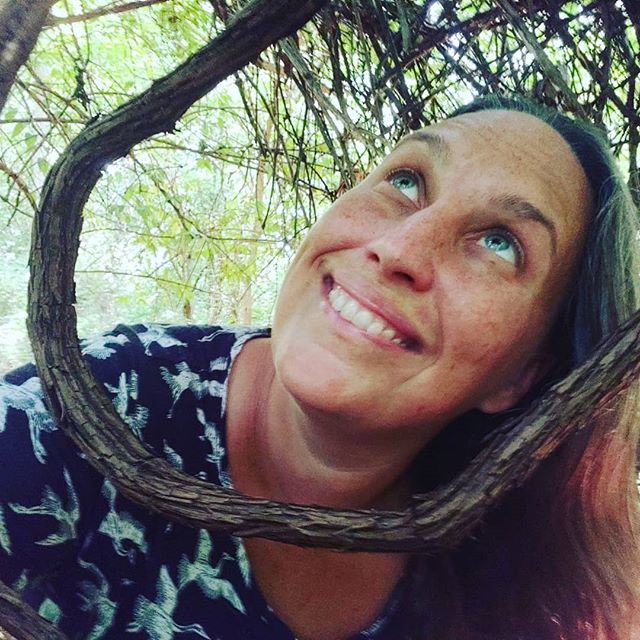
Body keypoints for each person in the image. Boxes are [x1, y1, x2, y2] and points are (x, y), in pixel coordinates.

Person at [0, 94, 638, 640]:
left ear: (523, 376)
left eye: (499, 242)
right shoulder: (114, 399)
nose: (397, 248)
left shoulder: (518, 576)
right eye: (408, 181)